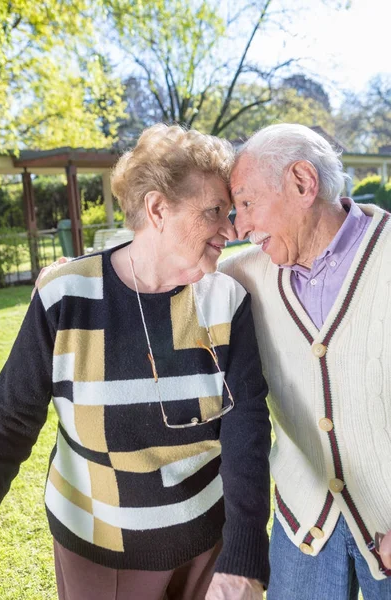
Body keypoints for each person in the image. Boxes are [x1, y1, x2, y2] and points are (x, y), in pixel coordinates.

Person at [0, 124, 271, 600]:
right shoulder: (67, 295)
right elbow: (8, 422)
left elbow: (246, 428)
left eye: (230, 213)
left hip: (208, 547)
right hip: (98, 550)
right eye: (214, 213)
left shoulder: (226, 300)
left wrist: (243, 556)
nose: (232, 229)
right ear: (157, 208)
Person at [221, 123, 391, 600]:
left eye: (248, 204)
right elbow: (164, 266)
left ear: (302, 182)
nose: (240, 227)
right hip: (305, 521)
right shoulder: (243, 276)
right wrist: (85, 268)